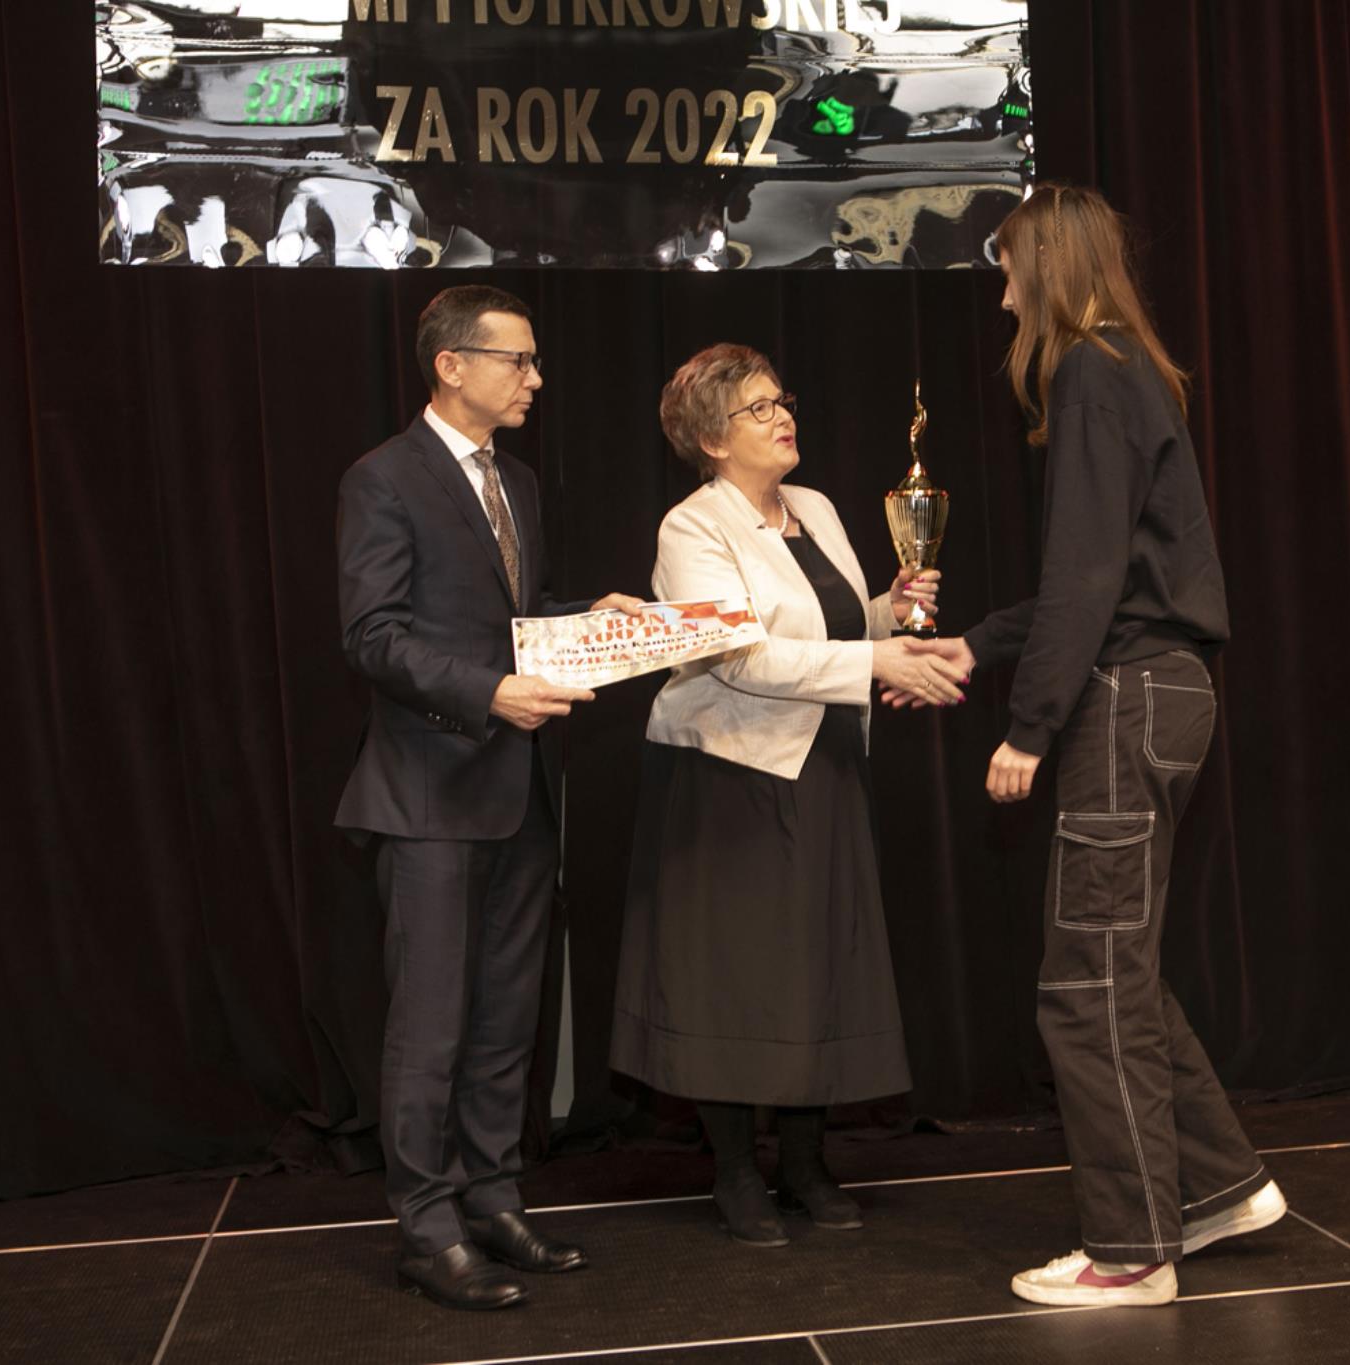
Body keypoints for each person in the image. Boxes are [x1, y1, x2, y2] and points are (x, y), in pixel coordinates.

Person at [899, 185, 1286, 1307]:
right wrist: (978, 643)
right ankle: (1219, 1187)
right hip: (1161, 690)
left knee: (1086, 985)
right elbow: (1100, 573)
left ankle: (1130, 1251)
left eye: (1010, 271)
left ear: (1049, 267)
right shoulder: (1124, 369)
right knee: (1117, 969)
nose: (1003, 295)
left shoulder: (1087, 370)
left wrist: (1028, 727)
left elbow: (1085, 576)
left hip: (1127, 700)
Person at [609, 344, 967, 1248]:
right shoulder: (692, 528)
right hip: (730, 774)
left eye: (782, 401)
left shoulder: (816, 507)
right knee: (735, 978)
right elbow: (739, 657)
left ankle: (806, 1165)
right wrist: (876, 659)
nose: (782, 418)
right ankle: (735, 1171)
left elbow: (832, 626)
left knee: (820, 970)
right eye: (758, 409)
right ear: (710, 439)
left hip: (826, 764)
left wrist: (890, 609)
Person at [335, 285, 644, 1312]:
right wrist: (489, 692)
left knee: (506, 1019)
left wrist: (586, 617)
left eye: (535, 361)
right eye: (519, 360)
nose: (536, 379)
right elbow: (373, 636)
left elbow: (508, 621)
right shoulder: (383, 478)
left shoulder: (515, 480)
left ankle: (492, 1197)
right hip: (428, 792)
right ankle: (426, 1230)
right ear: (451, 364)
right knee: (430, 1027)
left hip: (519, 792)